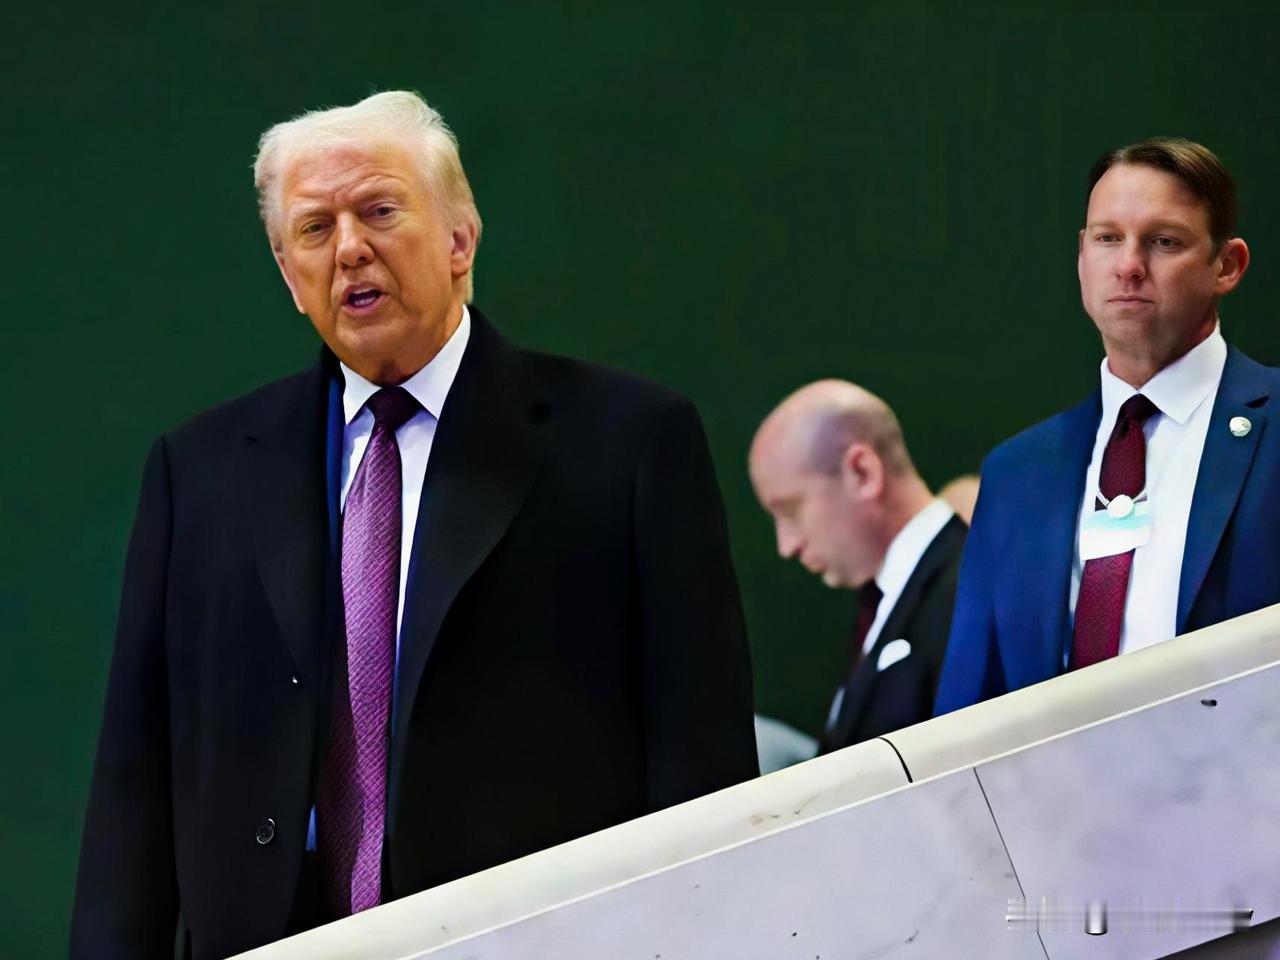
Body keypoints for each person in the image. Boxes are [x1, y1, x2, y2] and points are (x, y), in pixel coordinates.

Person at [71, 90, 758, 960]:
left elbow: (702, 758)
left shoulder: (627, 441)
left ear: (460, 240)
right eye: (314, 229)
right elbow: (136, 779)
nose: (349, 248)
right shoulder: (200, 470)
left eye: (380, 211)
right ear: (288, 275)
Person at [935, 137, 1280, 716]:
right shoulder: (1018, 474)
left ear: (1227, 265)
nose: (1128, 265)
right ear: (1081, 256)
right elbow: (966, 715)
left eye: (1164, 241)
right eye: (1107, 238)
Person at [749, 381, 967, 752]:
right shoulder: (886, 603)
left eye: (791, 510)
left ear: (863, 472)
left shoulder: (966, 595)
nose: (787, 545)